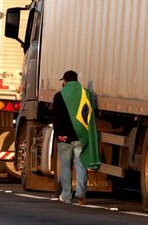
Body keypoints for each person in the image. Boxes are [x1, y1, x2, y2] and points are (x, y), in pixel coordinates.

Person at [52, 70, 100, 205]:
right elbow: (89, 115)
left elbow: (56, 118)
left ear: (65, 82)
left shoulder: (59, 96)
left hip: (64, 138)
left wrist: (58, 135)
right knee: (81, 165)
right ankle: (80, 193)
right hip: (80, 137)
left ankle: (66, 196)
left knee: (66, 167)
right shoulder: (86, 94)